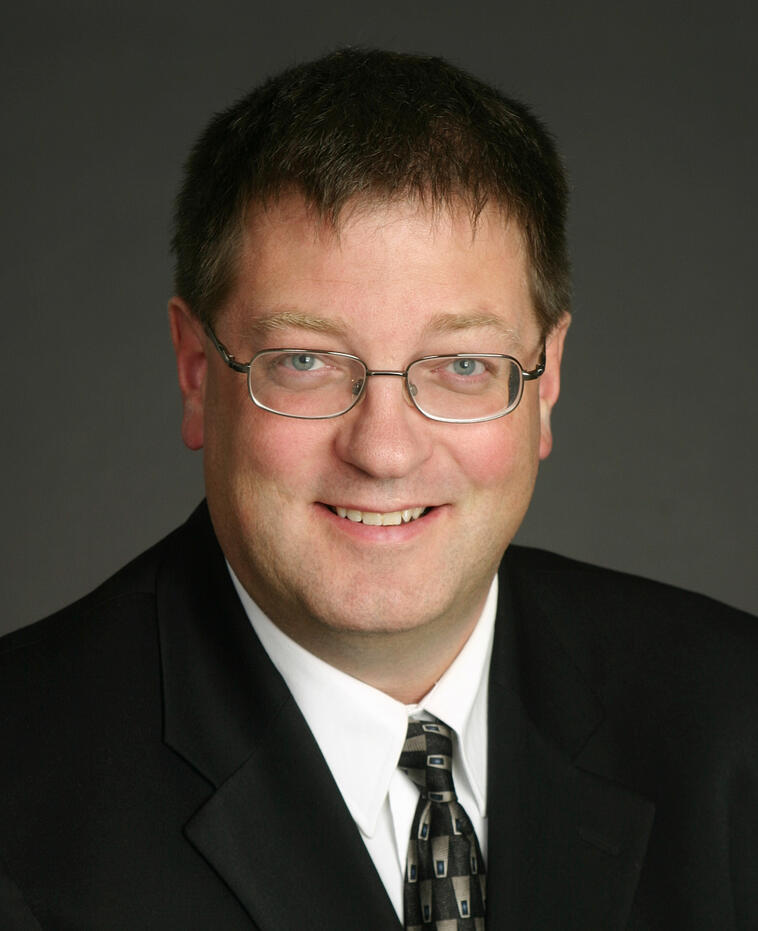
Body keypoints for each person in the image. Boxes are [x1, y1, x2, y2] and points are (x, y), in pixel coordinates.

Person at [1, 48, 756, 931]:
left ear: (545, 382)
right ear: (197, 371)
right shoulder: (24, 791)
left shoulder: (732, 720)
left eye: (463, 364)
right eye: (306, 361)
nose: (385, 451)